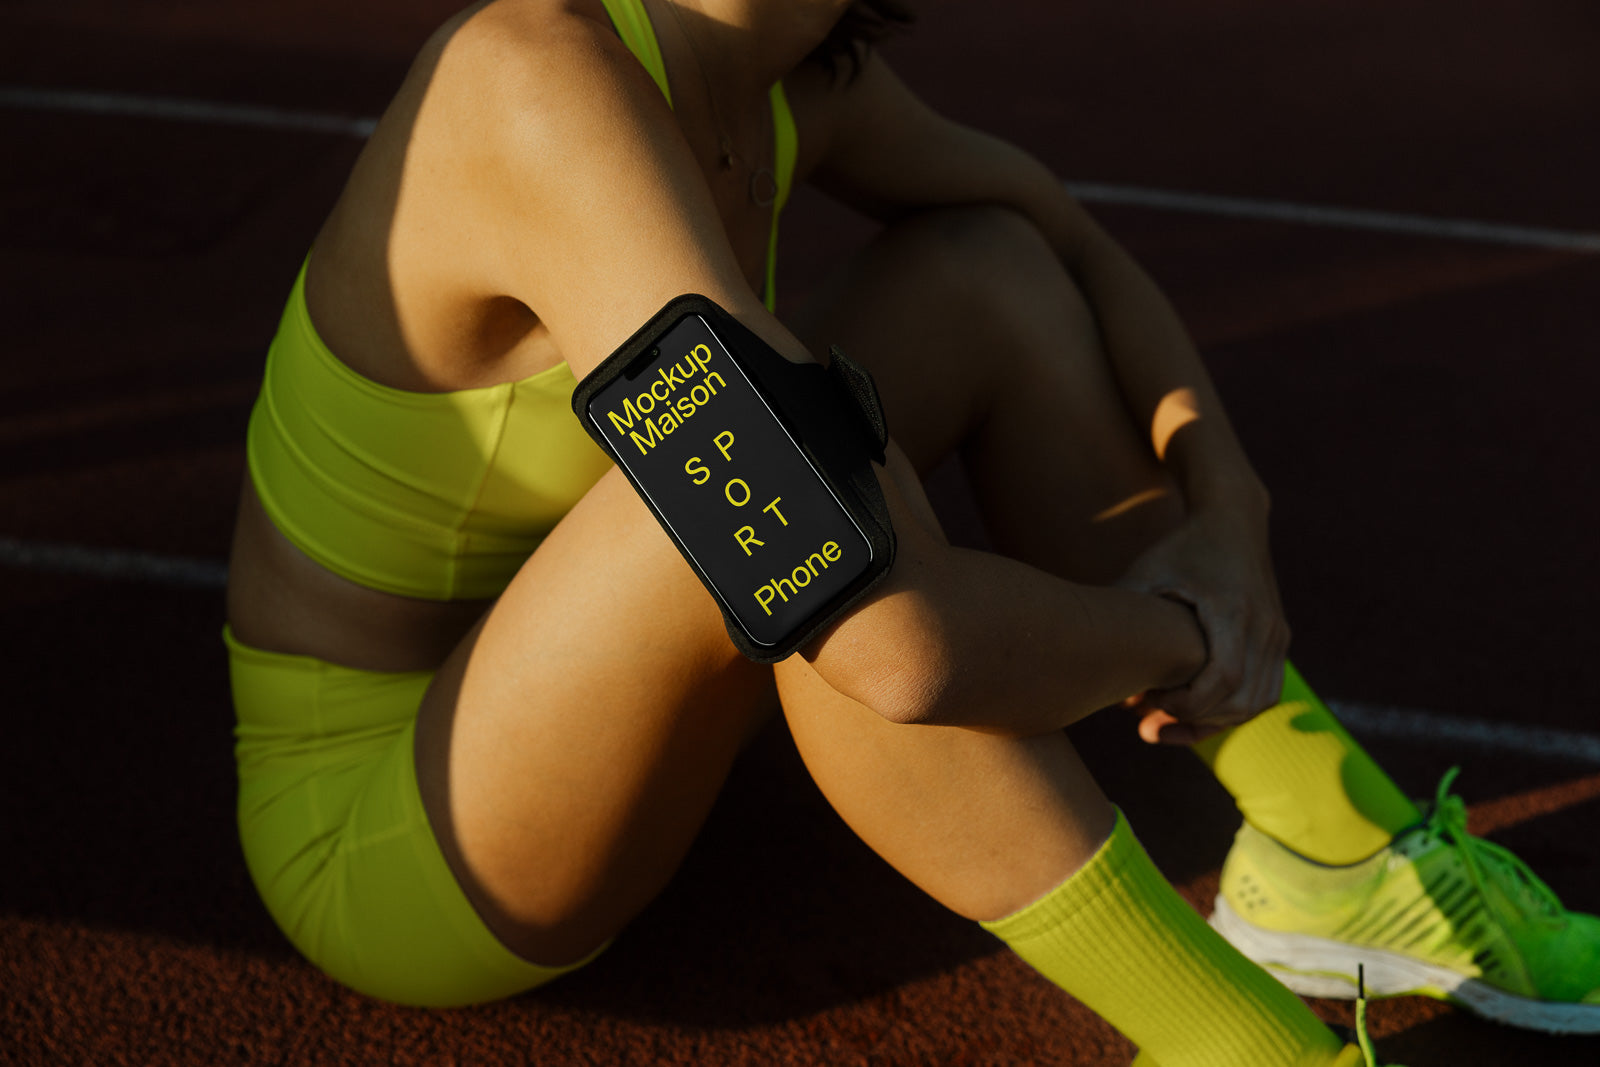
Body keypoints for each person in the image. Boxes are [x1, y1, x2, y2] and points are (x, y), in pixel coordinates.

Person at [222, 0, 1600, 1062]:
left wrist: (1231, 511)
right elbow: (887, 649)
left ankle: (1333, 844)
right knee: (781, 520)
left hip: (616, 725)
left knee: (982, 278)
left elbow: (1056, 237)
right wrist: (1181, 635)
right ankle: (1230, 1040)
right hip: (400, 830)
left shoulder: (794, 77)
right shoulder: (528, 76)